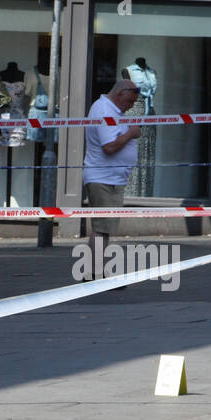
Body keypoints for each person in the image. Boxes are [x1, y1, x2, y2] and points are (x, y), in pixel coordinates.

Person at [82, 78, 142, 275]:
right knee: (101, 229)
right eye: (129, 102)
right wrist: (131, 133)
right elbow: (109, 146)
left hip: (110, 179)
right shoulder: (105, 111)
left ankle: (97, 272)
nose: (130, 106)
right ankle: (93, 274)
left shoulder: (112, 110)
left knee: (104, 229)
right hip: (103, 179)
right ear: (119, 94)